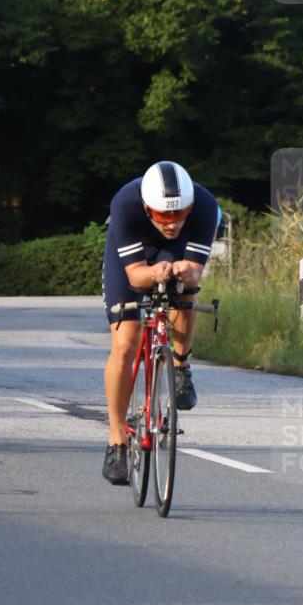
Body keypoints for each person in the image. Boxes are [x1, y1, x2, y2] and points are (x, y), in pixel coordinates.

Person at [101, 161, 218, 484]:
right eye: (164, 215)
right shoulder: (125, 203)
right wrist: (153, 274)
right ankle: (116, 439)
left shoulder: (205, 207)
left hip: (173, 254)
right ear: (147, 207)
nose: (172, 223)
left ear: (191, 206)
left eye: (180, 213)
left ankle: (180, 366)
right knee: (126, 342)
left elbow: (195, 270)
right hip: (133, 260)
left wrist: (182, 271)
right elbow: (136, 276)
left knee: (185, 290)